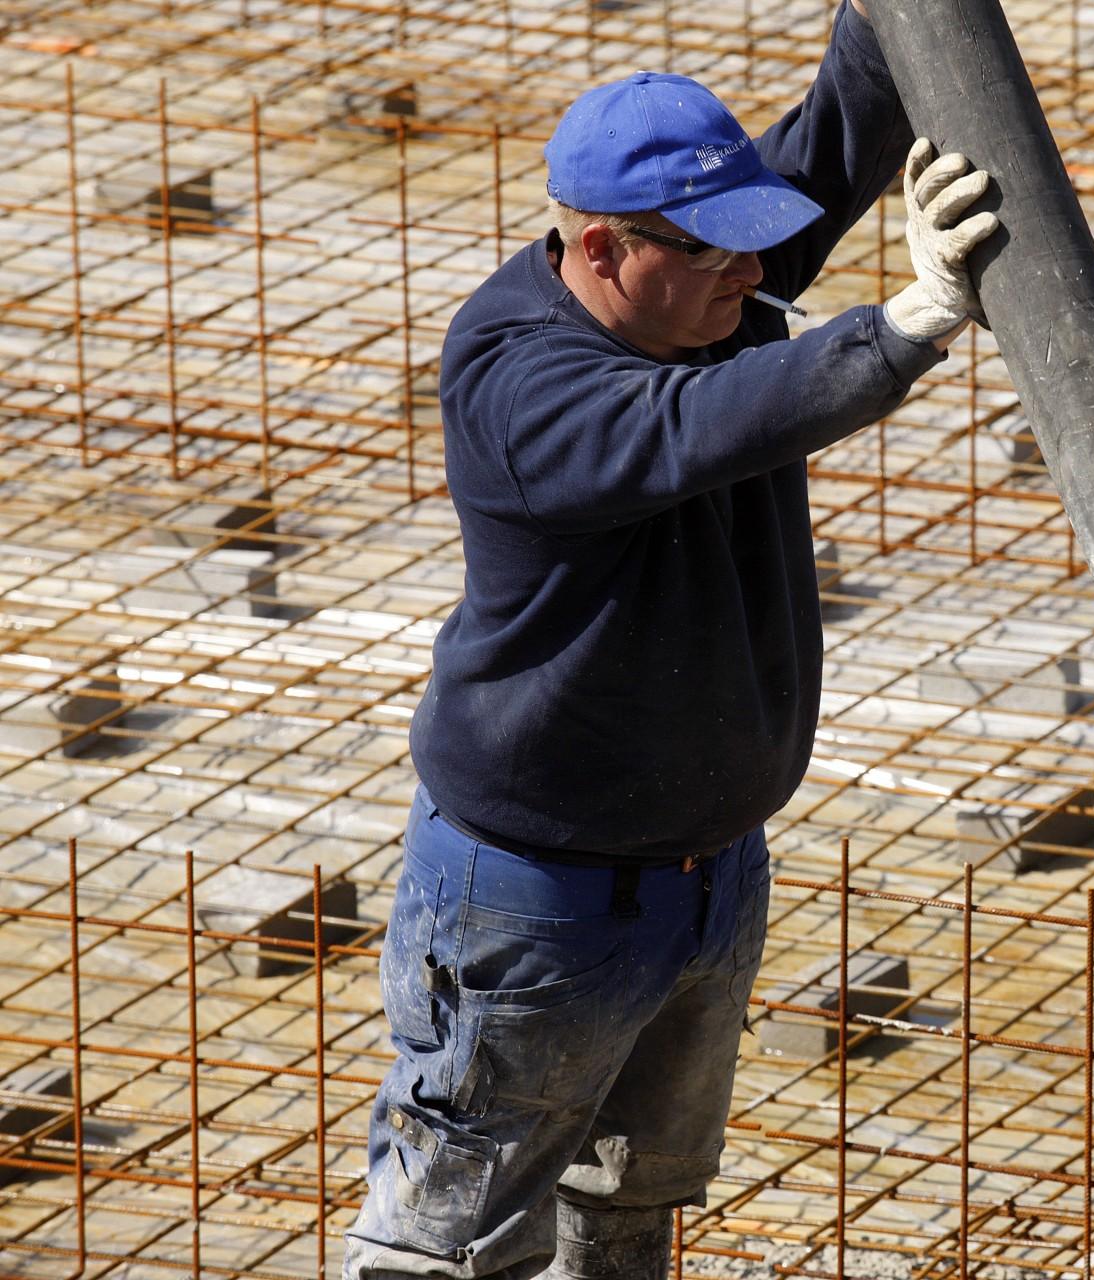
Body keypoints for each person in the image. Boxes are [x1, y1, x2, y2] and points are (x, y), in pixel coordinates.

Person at [339, 4, 1000, 1279]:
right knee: (450, 1243)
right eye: (718, 257)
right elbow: (707, 423)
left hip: (703, 878)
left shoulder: (690, 288)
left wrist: (894, 19)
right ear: (602, 247)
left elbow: (831, 145)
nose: (752, 279)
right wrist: (910, 321)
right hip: (537, 902)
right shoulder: (525, 383)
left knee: (634, 1209)